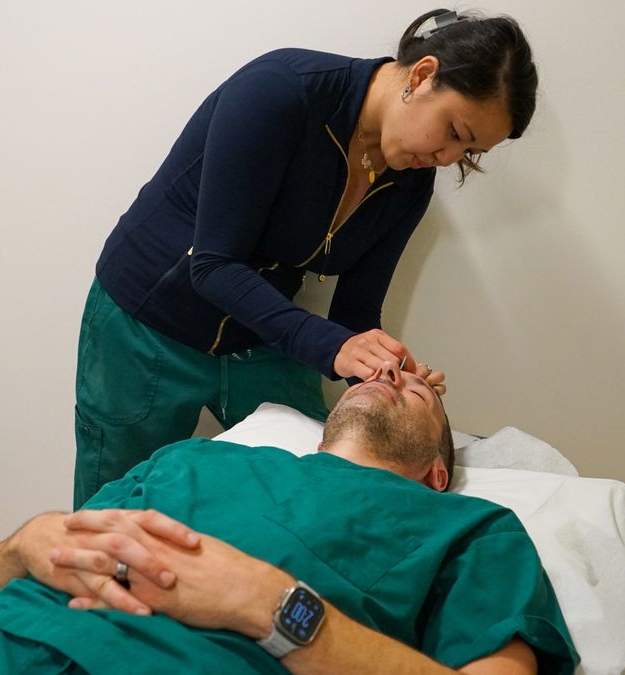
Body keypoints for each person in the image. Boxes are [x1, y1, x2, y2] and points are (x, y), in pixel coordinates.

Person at [0, 364, 579, 674]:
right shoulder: (196, 458)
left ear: (437, 472)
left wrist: (275, 606)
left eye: (418, 390)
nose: (392, 373)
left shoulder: (472, 527)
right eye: (387, 370)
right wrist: (22, 545)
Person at [74, 8, 540, 507]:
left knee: (315, 498)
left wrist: (385, 371)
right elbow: (212, 264)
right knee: (108, 513)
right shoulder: (282, 91)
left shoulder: (411, 181)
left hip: (261, 334)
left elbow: (355, 312)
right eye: (454, 131)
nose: (447, 159)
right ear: (423, 75)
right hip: (145, 325)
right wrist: (334, 348)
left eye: (469, 152)